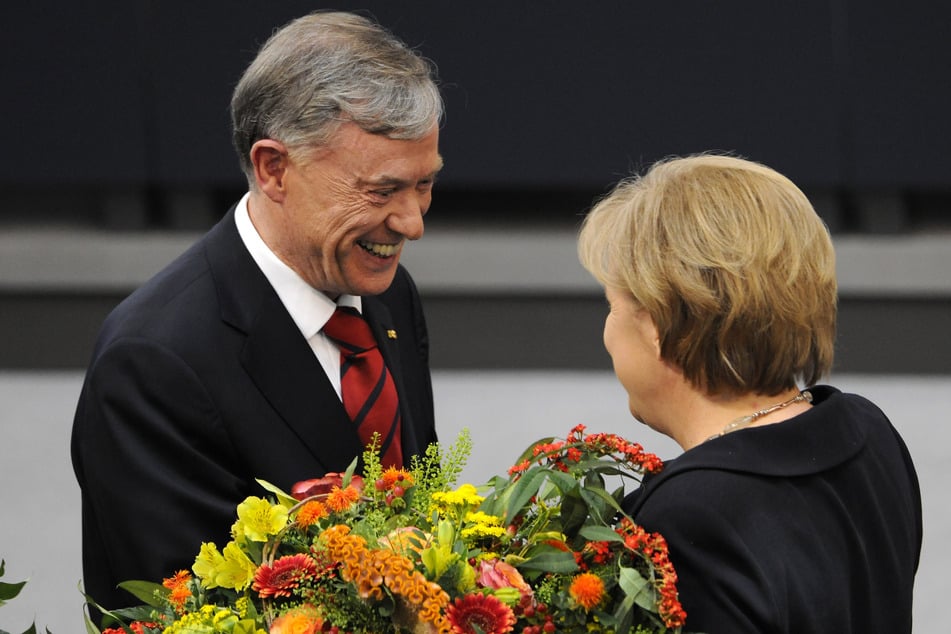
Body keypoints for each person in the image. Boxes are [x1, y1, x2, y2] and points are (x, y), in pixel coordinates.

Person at [71, 11, 443, 612]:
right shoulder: (153, 365)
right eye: (381, 191)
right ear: (274, 168)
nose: (412, 223)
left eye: (424, 185)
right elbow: (192, 614)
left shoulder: (385, 292)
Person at [578, 154, 922, 632]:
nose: (607, 332)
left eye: (612, 306)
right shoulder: (869, 432)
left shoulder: (684, 518)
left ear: (656, 326)